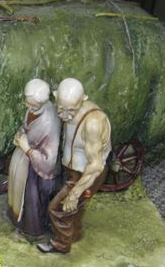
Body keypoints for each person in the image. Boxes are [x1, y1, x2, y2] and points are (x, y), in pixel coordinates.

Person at [37, 78, 111, 254]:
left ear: (83, 100)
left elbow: (95, 166)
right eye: (61, 108)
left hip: (86, 174)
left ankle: (61, 244)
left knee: (58, 208)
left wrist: (75, 193)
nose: (64, 115)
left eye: (71, 110)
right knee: (73, 209)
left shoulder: (93, 124)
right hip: (73, 170)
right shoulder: (68, 111)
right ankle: (74, 234)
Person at [7, 79, 60, 240]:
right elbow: (26, 126)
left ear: (42, 103)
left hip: (37, 171)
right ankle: (18, 219)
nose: (28, 107)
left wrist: (27, 149)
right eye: (27, 102)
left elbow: (49, 161)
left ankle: (33, 230)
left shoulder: (49, 122)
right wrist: (20, 134)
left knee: (32, 200)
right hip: (26, 160)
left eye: (33, 105)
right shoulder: (33, 109)